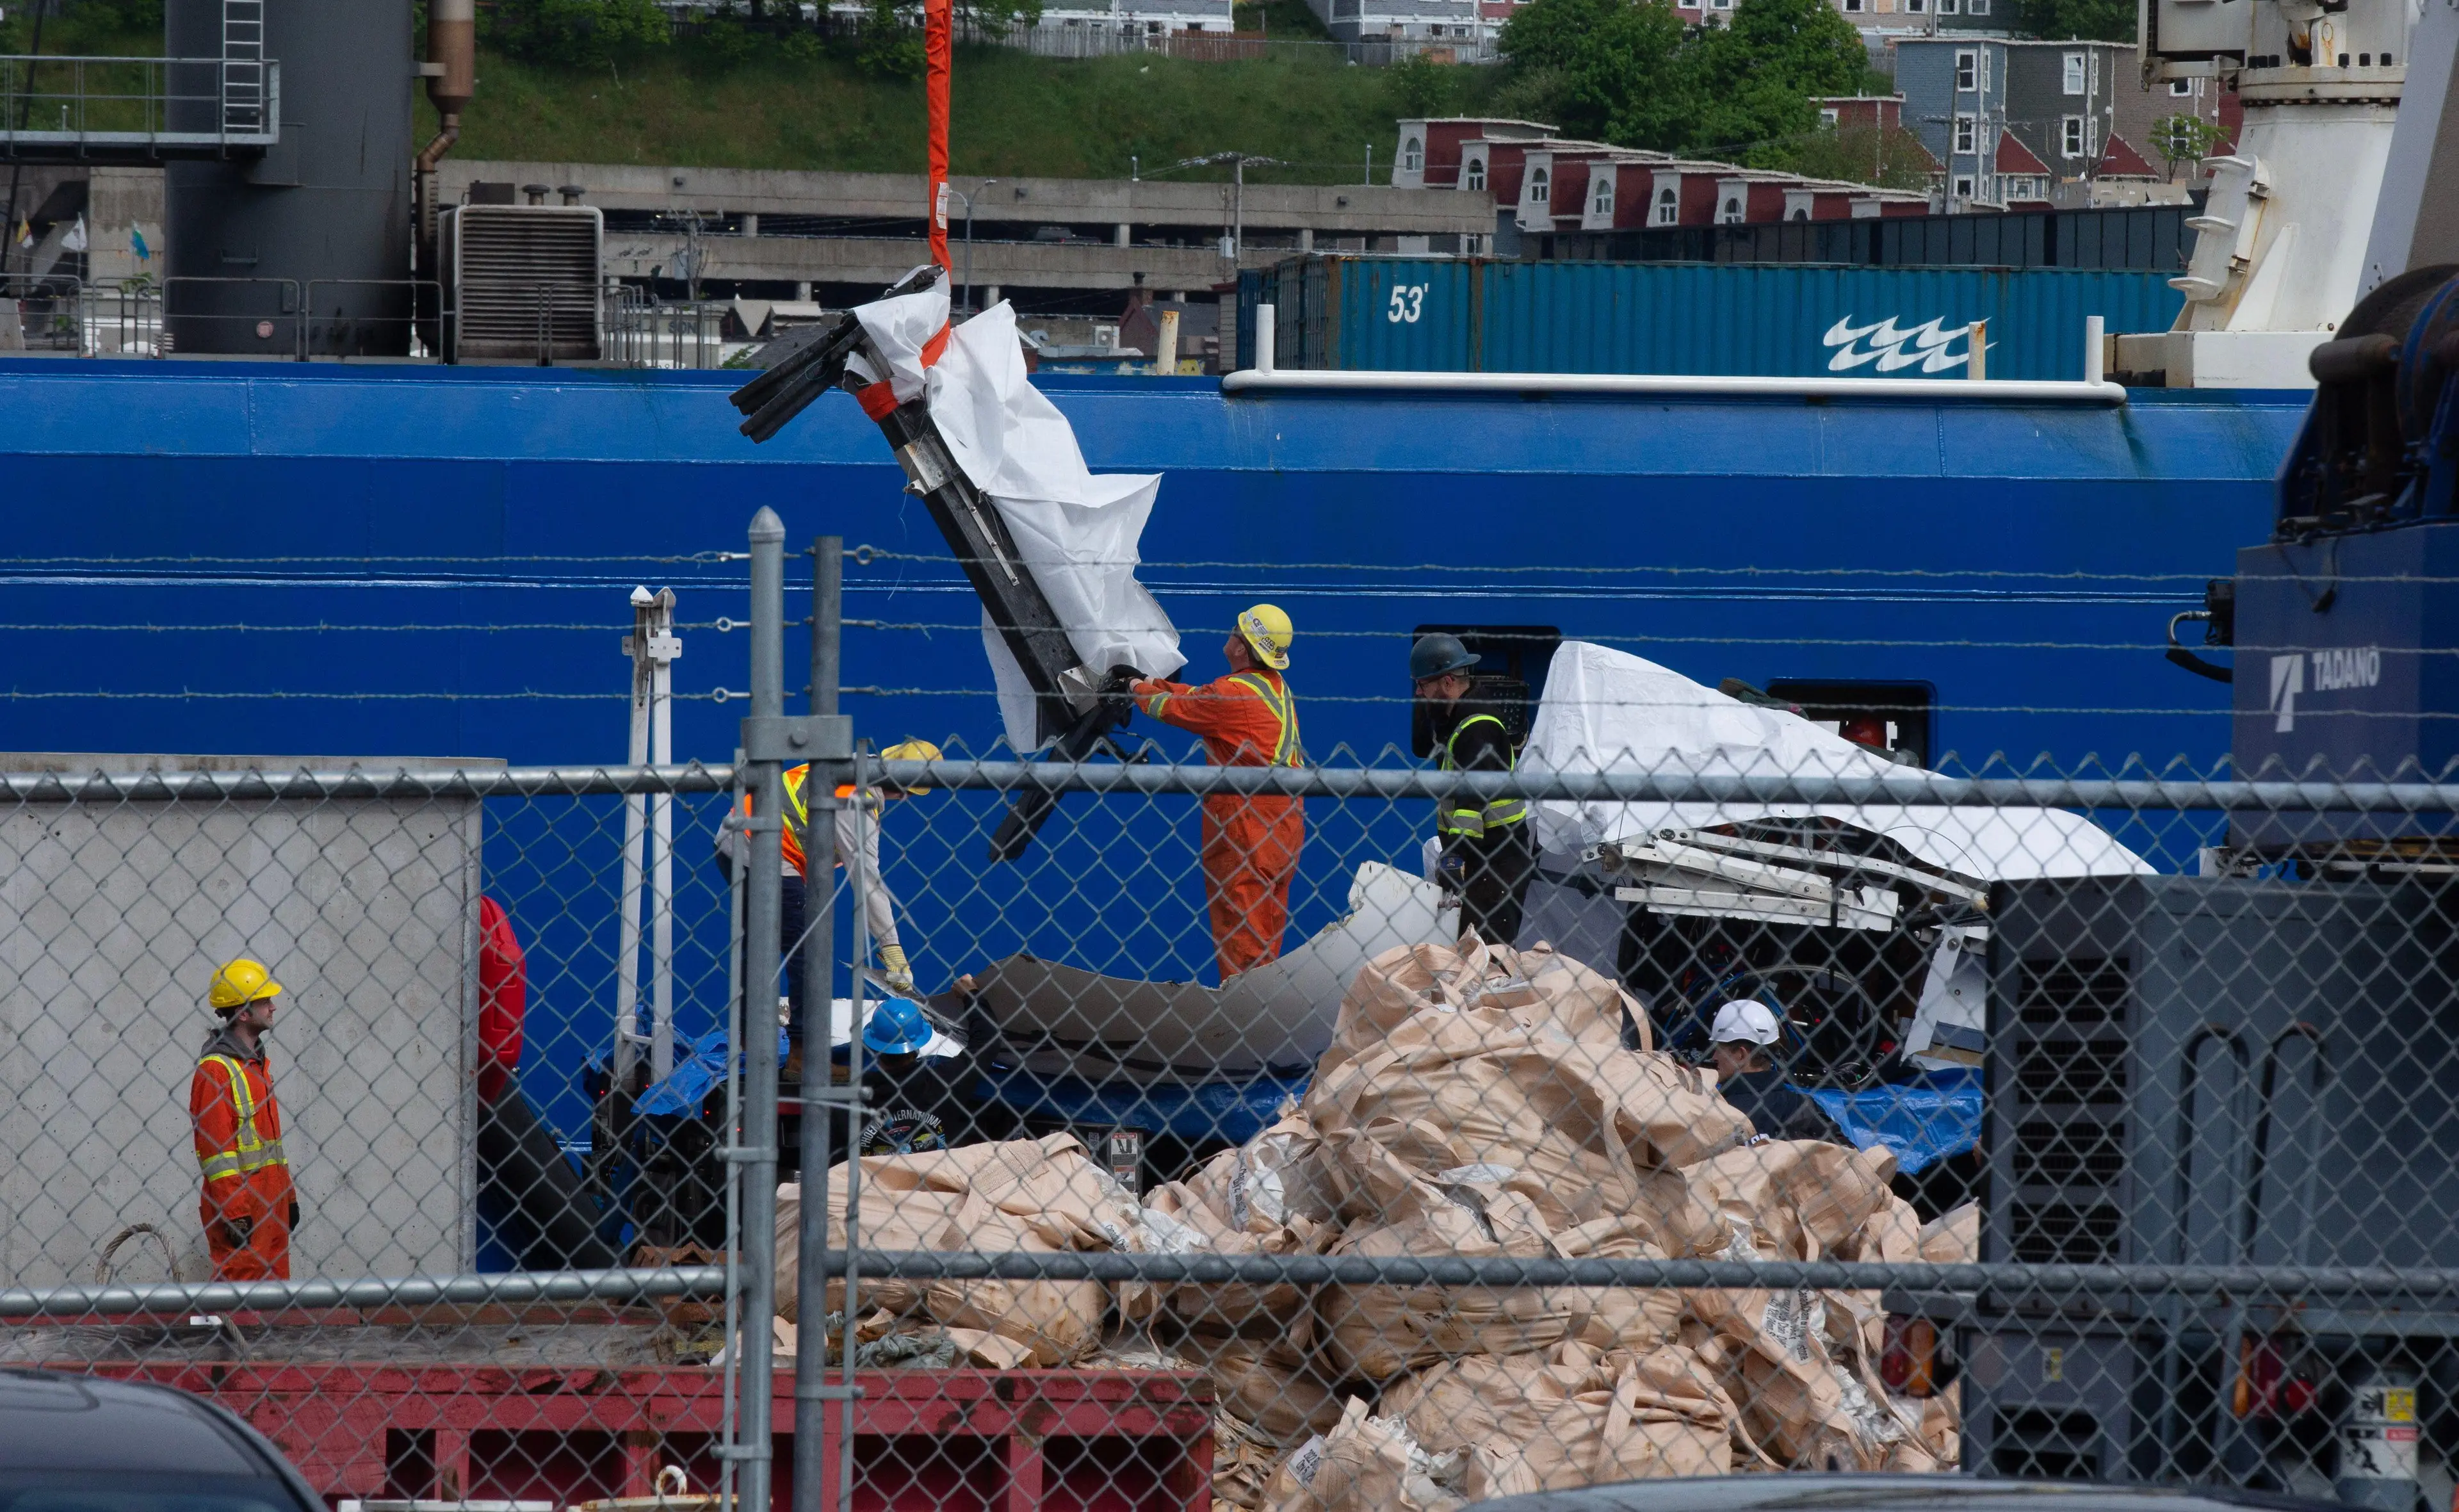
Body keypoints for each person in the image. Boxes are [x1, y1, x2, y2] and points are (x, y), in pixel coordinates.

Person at [722, 737, 941, 1059]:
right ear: (903, 789)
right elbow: (866, 879)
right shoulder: (856, 800)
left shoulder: (849, 765)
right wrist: (891, 947)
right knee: (807, 955)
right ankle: (802, 1054)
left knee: (759, 951)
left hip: (736, 840)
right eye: (908, 793)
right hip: (764, 853)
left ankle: (746, 1041)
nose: (905, 799)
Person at [1131, 605, 1304, 980]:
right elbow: (1199, 696)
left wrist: (1132, 688)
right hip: (1283, 824)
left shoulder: (1234, 694)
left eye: (1234, 631)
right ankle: (1262, 1012)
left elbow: (1174, 708)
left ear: (1243, 648)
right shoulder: (1271, 687)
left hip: (1247, 825)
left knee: (1242, 936)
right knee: (1265, 931)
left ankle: (1246, 1019)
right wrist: (1149, 679)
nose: (1228, 635)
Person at [1411, 633, 1535, 948]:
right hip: (1483, 860)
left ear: (1448, 682)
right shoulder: (1458, 719)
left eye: (1424, 685)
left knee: (1487, 958)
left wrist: (1454, 861)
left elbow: (1470, 804)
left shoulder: (1479, 728)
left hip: (1495, 863)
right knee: (1469, 956)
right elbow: (1422, 745)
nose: (1418, 693)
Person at [190, 957, 300, 1282]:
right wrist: (235, 1214)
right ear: (244, 1012)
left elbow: (271, 1146)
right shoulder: (216, 1072)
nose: (273, 1007)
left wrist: (288, 1196)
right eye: (265, 1000)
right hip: (245, 1208)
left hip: (272, 1203)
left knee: (274, 1305)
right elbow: (215, 1153)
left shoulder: (257, 1067)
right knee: (243, 1298)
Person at [850, 996, 1001, 1156]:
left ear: (875, 1050)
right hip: (934, 1176)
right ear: (916, 1047)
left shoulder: (851, 1099)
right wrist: (971, 995)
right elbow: (988, 1041)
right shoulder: (945, 1082)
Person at [1706, 998, 1828, 1141]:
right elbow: (1845, 1152)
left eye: (1718, 1049)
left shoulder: (1719, 1110)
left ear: (1741, 1055)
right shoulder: (1800, 1105)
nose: (1714, 1057)